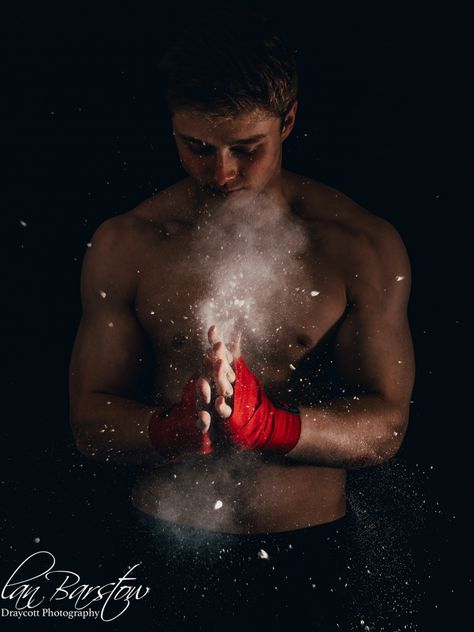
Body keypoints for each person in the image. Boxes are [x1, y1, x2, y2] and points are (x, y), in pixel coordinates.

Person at [69, 10, 415, 631]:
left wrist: (277, 429)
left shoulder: (358, 245)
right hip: (162, 547)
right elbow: (88, 422)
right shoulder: (128, 243)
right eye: (196, 147)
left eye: (245, 149)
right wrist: (164, 431)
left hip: (311, 554)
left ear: (288, 121)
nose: (220, 172)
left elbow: (387, 428)